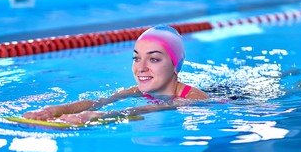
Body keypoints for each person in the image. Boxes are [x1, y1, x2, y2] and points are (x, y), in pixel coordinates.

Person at [23, 24, 209, 125]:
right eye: (136, 59)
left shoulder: (194, 98)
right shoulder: (136, 90)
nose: (141, 68)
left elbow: (152, 109)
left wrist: (99, 116)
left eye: (153, 59)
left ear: (175, 65)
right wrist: (53, 110)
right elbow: (97, 101)